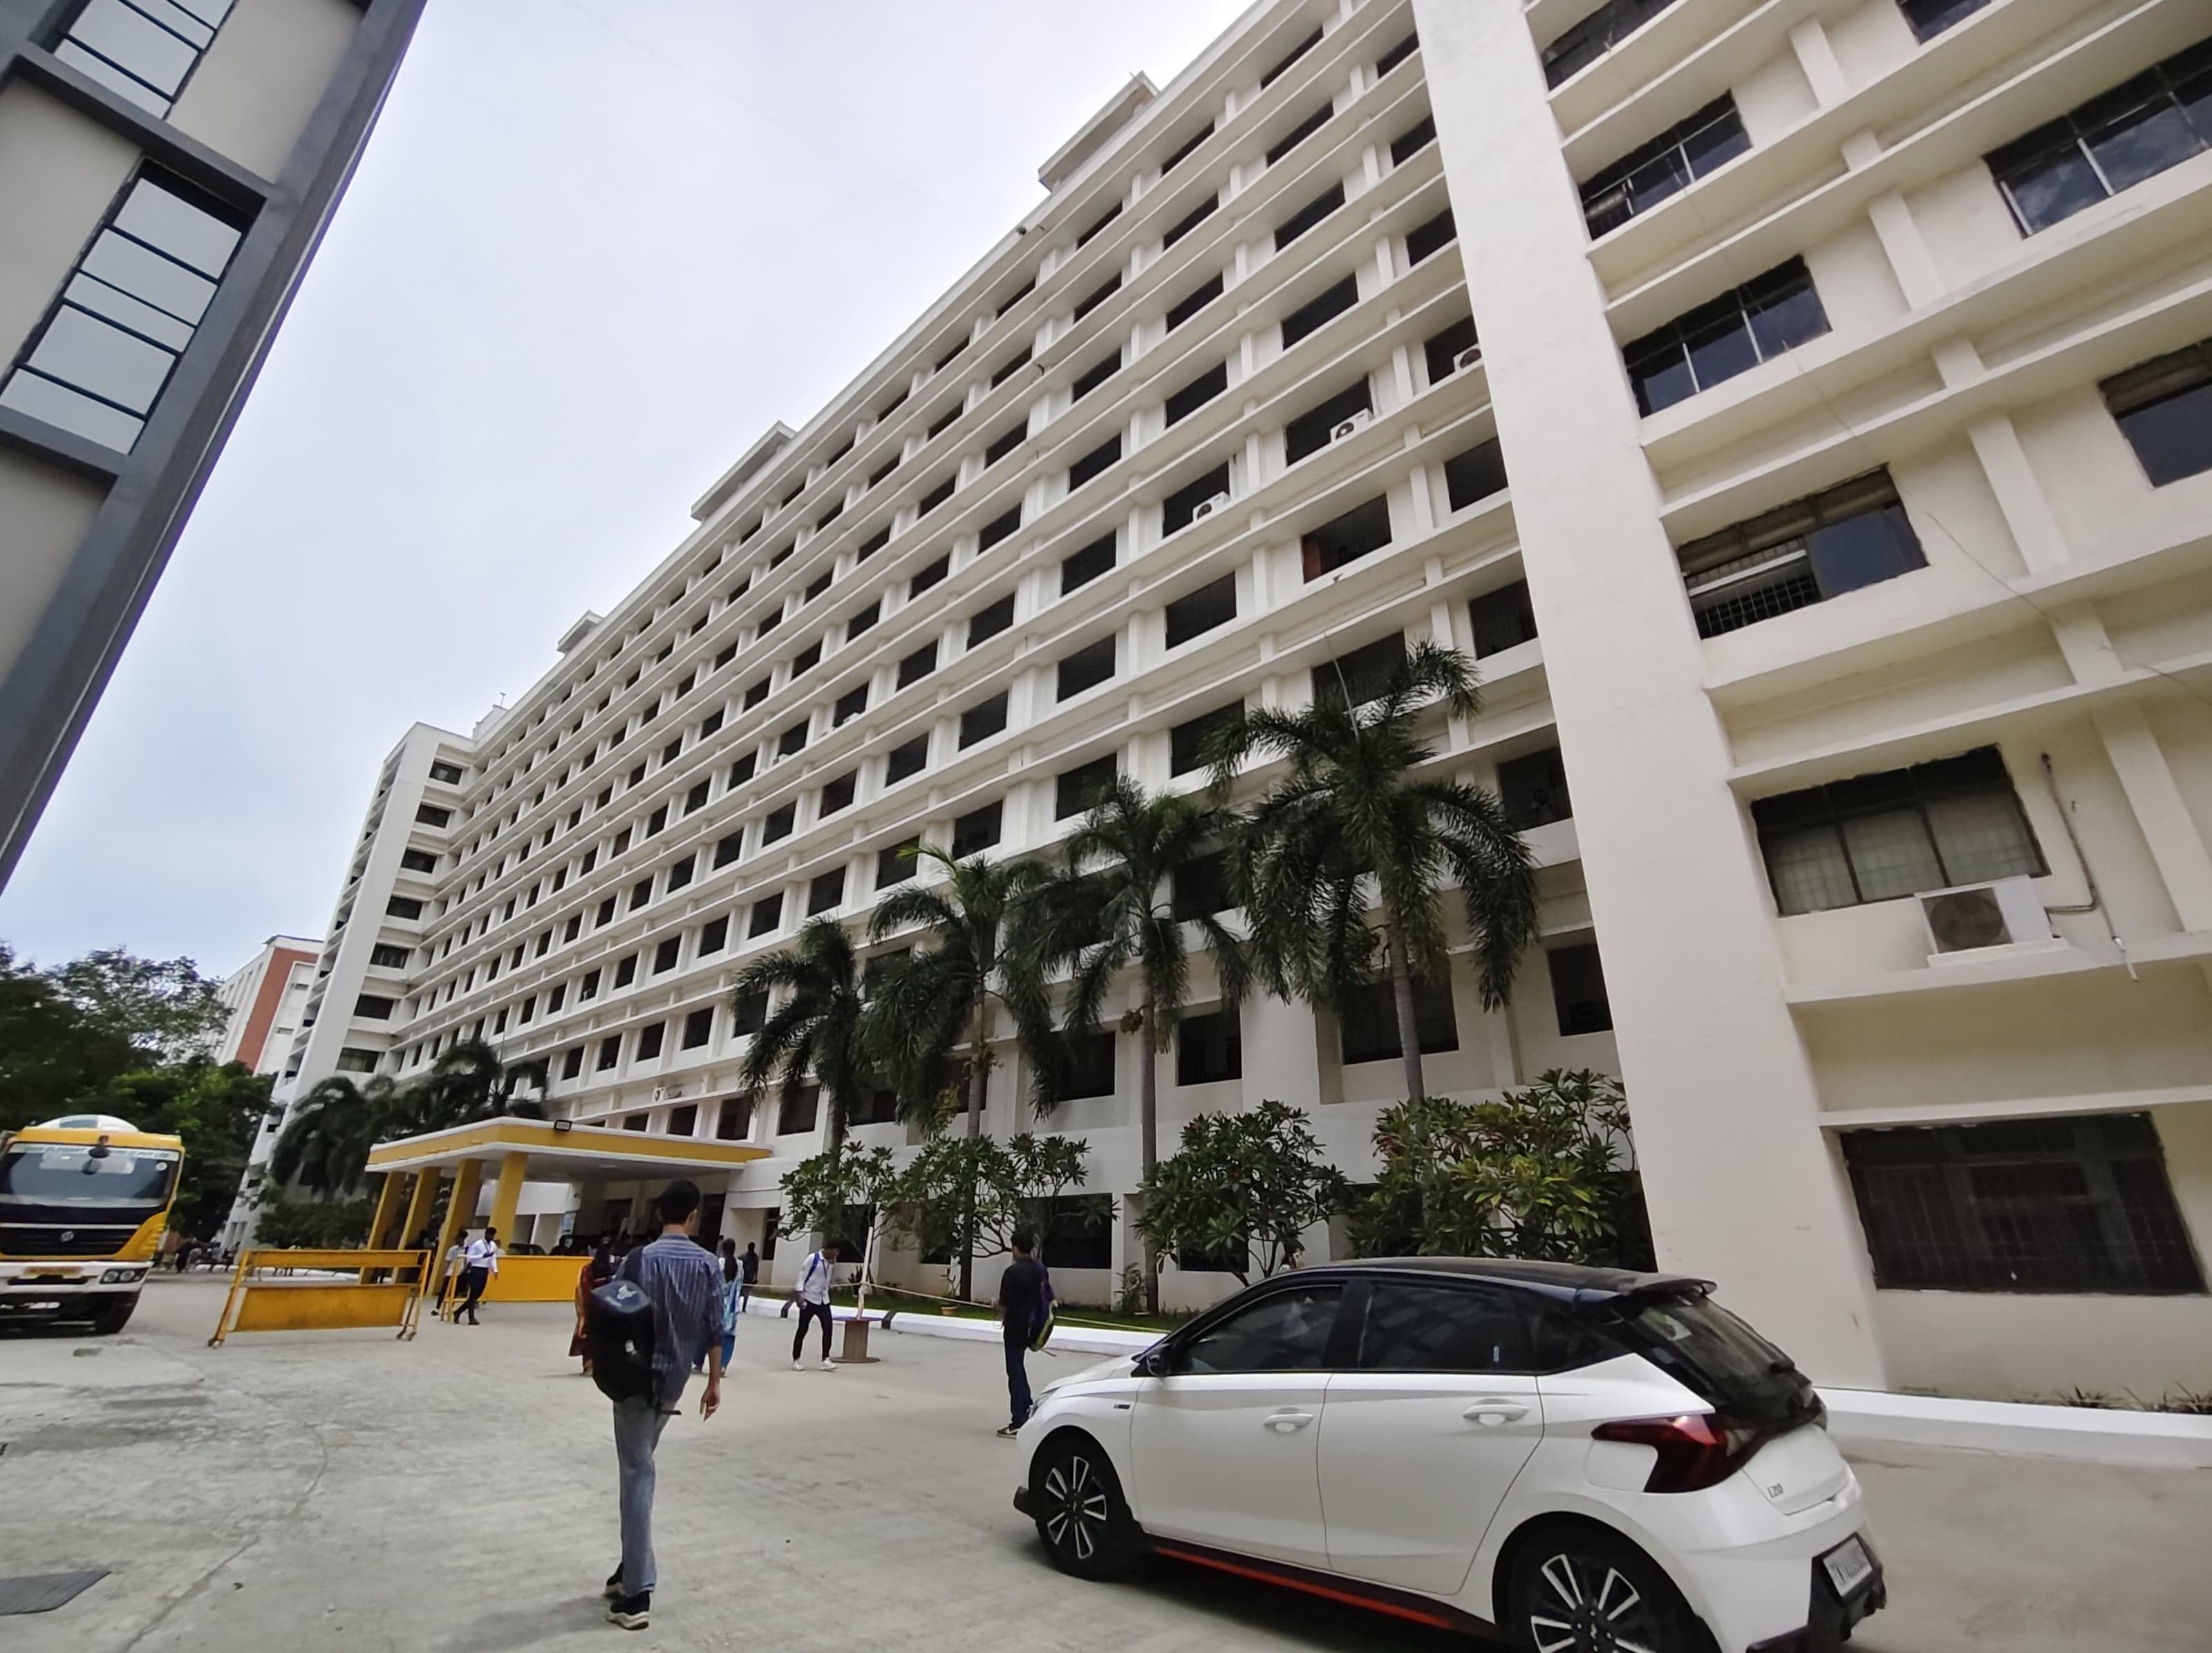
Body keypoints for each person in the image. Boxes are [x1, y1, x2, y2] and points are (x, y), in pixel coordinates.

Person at [602, 1179, 722, 1631]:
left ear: (659, 1214)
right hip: (674, 1382)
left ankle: (638, 1594)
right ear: (693, 1216)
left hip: (633, 1381)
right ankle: (629, 1567)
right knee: (641, 1465)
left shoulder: (639, 1260)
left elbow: (614, 1310)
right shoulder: (709, 1264)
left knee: (636, 1474)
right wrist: (714, 1383)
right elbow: (716, 1326)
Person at [996, 1230, 1046, 1438]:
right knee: (1019, 1369)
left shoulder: (1012, 1272)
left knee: (1015, 1372)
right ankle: (1027, 1408)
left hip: (1015, 1327)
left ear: (1016, 1247)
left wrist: (995, 1305)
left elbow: (1004, 1303)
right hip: (1031, 1326)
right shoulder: (1039, 1269)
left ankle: (1019, 1419)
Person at [790, 1239, 841, 1372]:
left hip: (823, 1300)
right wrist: (799, 1294)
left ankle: (826, 1359)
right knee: (803, 1329)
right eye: (835, 1252)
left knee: (828, 1328)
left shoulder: (831, 1262)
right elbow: (802, 1277)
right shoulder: (813, 1259)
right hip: (809, 1299)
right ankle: (796, 1359)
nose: (836, 1255)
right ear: (828, 1249)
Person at [572, 1240, 614, 1374]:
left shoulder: (587, 1269)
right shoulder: (613, 1268)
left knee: (590, 1335)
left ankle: (589, 1366)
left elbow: (581, 1288)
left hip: (591, 1306)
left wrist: (582, 1311)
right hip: (608, 1307)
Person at [458, 1225, 500, 1325]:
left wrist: (495, 1269)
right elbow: (470, 1257)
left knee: (478, 1294)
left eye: (492, 1235)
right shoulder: (478, 1244)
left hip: (485, 1270)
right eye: (489, 1234)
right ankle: (471, 1318)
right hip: (476, 1269)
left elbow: (493, 1258)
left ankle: (458, 1312)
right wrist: (482, 1256)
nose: (490, 1236)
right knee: (473, 1293)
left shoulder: (493, 1245)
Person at [716, 1240, 742, 1370]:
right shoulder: (740, 1265)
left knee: (709, 1335)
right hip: (732, 1307)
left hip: (718, 1304)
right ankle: (723, 1365)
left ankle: (699, 1364)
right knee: (729, 1337)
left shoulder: (719, 1263)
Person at [738, 1242, 759, 1313]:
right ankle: (737, 1306)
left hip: (749, 1278)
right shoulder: (743, 1257)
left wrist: (755, 1277)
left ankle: (744, 1308)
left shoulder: (755, 1257)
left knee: (746, 1294)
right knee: (740, 1293)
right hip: (743, 1277)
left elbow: (756, 1268)